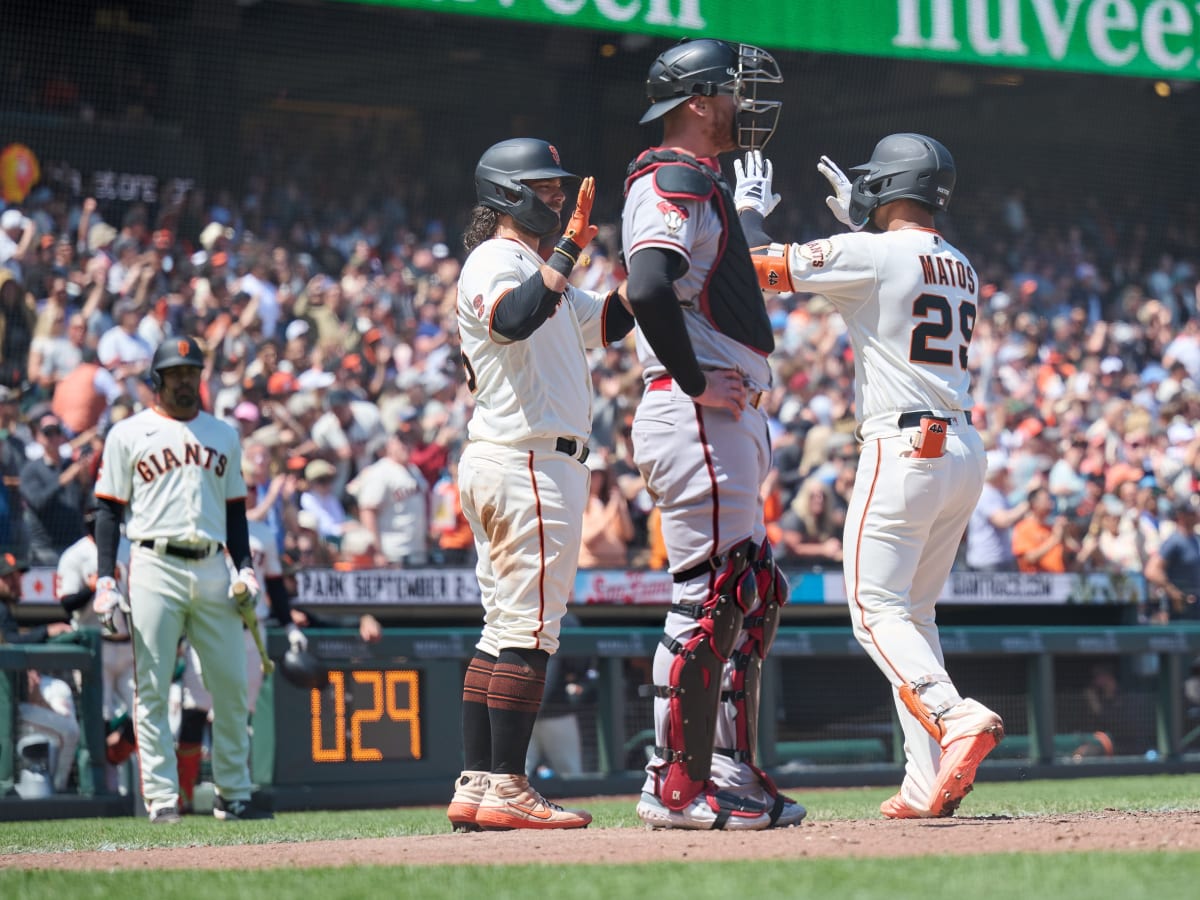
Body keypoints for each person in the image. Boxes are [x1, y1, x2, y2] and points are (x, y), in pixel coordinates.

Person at [736, 132, 1005, 818]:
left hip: (905, 446)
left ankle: (954, 715)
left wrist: (747, 213)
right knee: (914, 614)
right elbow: (892, 273)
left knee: (874, 610)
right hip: (963, 449)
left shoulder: (872, 251)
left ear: (886, 188)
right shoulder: (961, 262)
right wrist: (861, 224)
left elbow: (756, 267)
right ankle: (924, 781)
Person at [622, 38, 804, 831]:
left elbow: (705, 278)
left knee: (749, 592)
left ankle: (723, 765)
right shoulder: (671, 173)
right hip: (695, 408)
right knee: (708, 598)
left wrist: (752, 213)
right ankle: (673, 783)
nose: (744, 103)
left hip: (719, 414)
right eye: (731, 90)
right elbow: (649, 283)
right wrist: (695, 379)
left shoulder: (702, 183)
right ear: (698, 102)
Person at [446, 137, 634, 832]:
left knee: (503, 629)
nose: (557, 198)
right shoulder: (497, 258)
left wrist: (655, 262)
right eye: (544, 187)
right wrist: (566, 253)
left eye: (559, 187)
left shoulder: (528, 263)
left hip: (518, 459)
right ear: (504, 192)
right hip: (527, 460)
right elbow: (512, 318)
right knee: (532, 630)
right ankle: (510, 785)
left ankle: (477, 781)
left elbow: (608, 319)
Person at [92, 335, 273, 823]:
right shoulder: (128, 434)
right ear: (158, 381)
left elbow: (236, 514)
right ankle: (163, 799)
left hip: (214, 566)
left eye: (192, 373)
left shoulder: (224, 434)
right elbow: (108, 511)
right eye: (177, 374)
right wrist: (104, 578)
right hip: (154, 563)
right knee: (150, 685)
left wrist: (246, 567)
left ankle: (233, 793)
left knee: (232, 685)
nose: (187, 382)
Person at [19, 412, 89, 565]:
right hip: (47, 548)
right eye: (47, 433)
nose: (53, 437)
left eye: (56, 432)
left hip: (75, 543)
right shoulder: (31, 470)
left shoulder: (70, 465)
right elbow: (38, 502)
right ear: (38, 437)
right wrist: (62, 480)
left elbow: (83, 502)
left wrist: (84, 482)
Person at [1146, 501, 1200, 620]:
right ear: (1182, 516)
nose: (1196, 515)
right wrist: (1173, 591)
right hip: (1181, 608)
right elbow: (1152, 570)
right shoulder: (1174, 541)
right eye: (1192, 513)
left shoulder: (1196, 539)